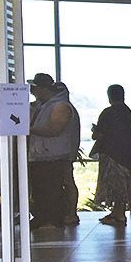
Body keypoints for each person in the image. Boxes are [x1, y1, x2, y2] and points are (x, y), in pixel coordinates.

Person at [27, 73, 81, 229]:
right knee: (44, 187)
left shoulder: (60, 106)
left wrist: (29, 130)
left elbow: (55, 129)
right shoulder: (44, 106)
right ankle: (45, 216)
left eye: (34, 88)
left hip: (55, 155)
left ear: (44, 89)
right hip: (44, 155)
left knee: (54, 187)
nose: (32, 92)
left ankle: (57, 216)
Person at [91, 85, 131, 226]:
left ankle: (118, 213)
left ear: (109, 96)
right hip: (127, 155)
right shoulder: (126, 111)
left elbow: (99, 134)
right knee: (122, 183)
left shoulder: (108, 112)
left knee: (115, 184)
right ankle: (117, 211)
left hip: (111, 154)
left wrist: (95, 131)